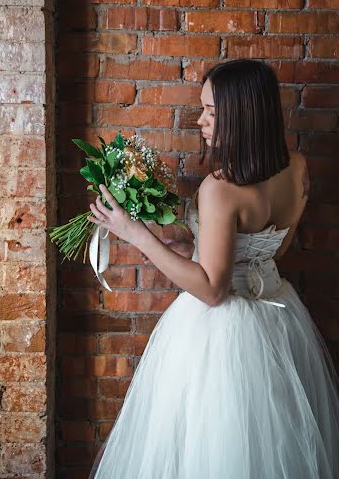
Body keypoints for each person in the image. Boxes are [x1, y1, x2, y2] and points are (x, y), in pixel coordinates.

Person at [87, 59, 339, 478]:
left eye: (211, 111)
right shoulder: (296, 167)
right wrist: (192, 240)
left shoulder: (220, 188)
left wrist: (136, 234)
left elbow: (211, 290)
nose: (200, 120)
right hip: (279, 316)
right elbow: (272, 248)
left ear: (243, 114)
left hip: (223, 334)